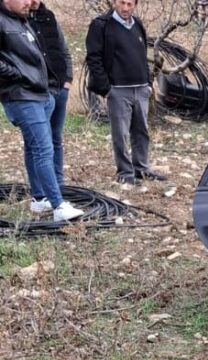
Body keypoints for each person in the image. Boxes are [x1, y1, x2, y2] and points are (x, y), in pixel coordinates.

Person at [0, 0, 83, 221]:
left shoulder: (21, 20)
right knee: (44, 149)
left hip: (40, 94)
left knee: (34, 146)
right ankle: (58, 206)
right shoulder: (3, 21)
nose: (30, 2)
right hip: (21, 96)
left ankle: (39, 199)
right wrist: (18, 75)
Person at [85, 0, 167, 185]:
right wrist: (106, 88)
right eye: (122, 3)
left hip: (140, 89)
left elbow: (142, 54)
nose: (125, 8)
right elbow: (93, 58)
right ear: (114, 2)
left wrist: (147, 83)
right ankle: (125, 173)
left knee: (141, 131)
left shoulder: (137, 24)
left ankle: (142, 169)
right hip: (118, 90)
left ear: (135, 4)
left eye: (130, 4)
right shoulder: (101, 25)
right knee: (120, 134)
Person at [28, 0, 71, 200]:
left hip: (59, 87)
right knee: (36, 143)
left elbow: (64, 50)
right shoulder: (17, 21)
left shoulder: (49, 17)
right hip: (38, 91)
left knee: (56, 137)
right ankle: (40, 192)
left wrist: (68, 79)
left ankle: (58, 181)